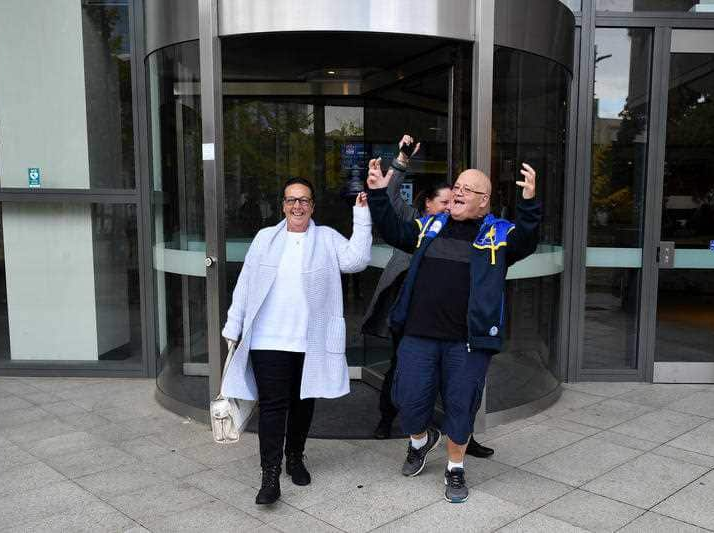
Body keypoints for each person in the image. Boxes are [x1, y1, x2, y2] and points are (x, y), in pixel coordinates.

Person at [366, 155, 540, 503]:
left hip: (467, 342)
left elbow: (528, 239)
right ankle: (420, 440)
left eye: (467, 189)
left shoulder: (499, 234)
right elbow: (394, 230)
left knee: (461, 407)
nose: (457, 192)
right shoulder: (429, 226)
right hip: (418, 334)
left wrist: (529, 204)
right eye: (456, 186)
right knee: (408, 400)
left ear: (483, 199)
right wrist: (379, 195)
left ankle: (455, 468)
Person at [221, 177, 372, 505]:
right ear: (283, 206)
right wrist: (234, 325)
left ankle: (295, 457)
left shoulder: (327, 239)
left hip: (309, 341)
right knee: (273, 407)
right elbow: (246, 284)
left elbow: (357, 261)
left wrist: (361, 216)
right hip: (267, 339)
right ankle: (270, 476)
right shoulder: (265, 239)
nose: (297, 206)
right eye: (291, 200)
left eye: (303, 200)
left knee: (303, 403)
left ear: (312, 207)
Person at [360, 135, 494, 459]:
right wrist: (401, 161)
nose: (452, 206)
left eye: (456, 200)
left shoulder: (469, 230)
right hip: (409, 315)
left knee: (458, 384)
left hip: (453, 327)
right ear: (428, 205)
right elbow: (389, 199)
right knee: (405, 377)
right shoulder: (416, 223)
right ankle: (396, 426)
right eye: (445, 202)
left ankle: (461, 437)